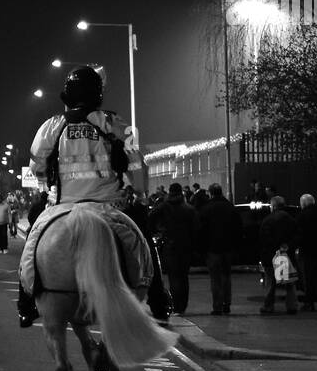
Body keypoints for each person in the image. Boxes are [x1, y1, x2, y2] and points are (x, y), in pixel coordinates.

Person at [20, 65, 150, 326]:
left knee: (31, 245)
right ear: (98, 95)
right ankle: (158, 298)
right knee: (145, 239)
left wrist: (50, 181)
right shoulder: (116, 124)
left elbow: (37, 167)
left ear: (67, 95)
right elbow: (138, 166)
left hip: (61, 206)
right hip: (110, 207)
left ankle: (26, 302)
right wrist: (139, 193)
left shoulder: (51, 127)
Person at [148, 183, 199, 316]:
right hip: (186, 247)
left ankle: (176, 306)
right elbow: (196, 229)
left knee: (174, 277)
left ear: (170, 192)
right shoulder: (189, 209)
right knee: (184, 277)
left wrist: (159, 231)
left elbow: (150, 217)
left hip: (170, 246)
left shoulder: (165, 206)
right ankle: (182, 306)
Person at [198, 183, 242, 315]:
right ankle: (227, 304)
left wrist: (202, 249)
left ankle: (217, 306)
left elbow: (202, 231)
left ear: (211, 193)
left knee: (215, 278)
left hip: (212, 249)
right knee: (226, 276)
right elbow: (238, 229)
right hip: (228, 248)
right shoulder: (230, 207)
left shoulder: (206, 209)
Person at [259, 195, 299, 315]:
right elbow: (297, 236)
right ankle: (292, 306)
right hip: (286, 255)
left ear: (273, 206)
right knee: (289, 283)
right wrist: (288, 246)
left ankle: (268, 306)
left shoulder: (268, 220)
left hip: (271, 256)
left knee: (270, 283)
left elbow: (264, 239)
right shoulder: (291, 220)